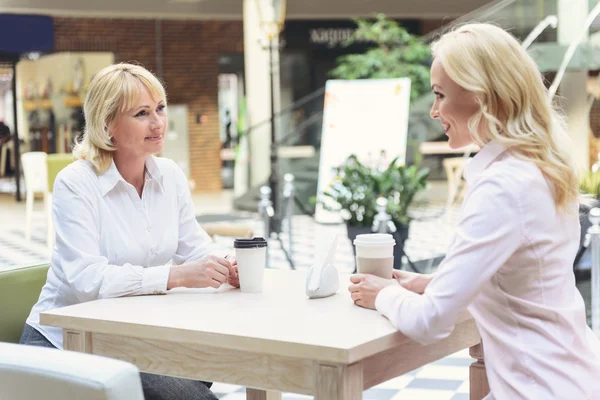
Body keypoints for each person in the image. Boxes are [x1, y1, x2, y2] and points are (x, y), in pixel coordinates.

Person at [348, 23, 600, 399]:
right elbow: (523, 282)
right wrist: (429, 284)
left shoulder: (502, 187)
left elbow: (429, 322)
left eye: (439, 95)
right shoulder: (535, 167)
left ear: (483, 96)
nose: (434, 111)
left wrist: (382, 293)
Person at [20, 63, 239, 400]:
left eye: (160, 108)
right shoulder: (76, 183)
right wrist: (174, 276)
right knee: (193, 396)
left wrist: (225, 264)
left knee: (216, 364)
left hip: (133, 336)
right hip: (68, 342)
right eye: (141, 113)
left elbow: (193, 248)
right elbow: (87, 280)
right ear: (107, 124)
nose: (158, 123)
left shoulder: (170, 175)